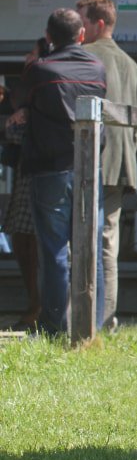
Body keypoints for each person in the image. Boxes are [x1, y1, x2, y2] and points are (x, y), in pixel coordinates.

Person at [9, 8, 108, 335]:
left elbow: (18, 100)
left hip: (49, 170)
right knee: (90, 247)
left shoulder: (40, 70)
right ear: (82, 35)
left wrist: (21, 108)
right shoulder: (97, 68)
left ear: (49, 37)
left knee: (54, 251)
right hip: (88, 169)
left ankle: (54, 325)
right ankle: (93, 324)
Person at [77, 0, 137, 331]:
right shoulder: (132, 65)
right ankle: (106, 318)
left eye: (82, 21)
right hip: (122, 165)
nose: (79, 28)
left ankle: (82, 316)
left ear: (98, 24)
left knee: (80, 240)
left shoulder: (84, 57)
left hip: (90, 160)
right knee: (108, 244)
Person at [0, 74, 39, 329]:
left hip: (34, 179)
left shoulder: (34, 109)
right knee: (21, 242)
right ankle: (35, 302)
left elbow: (15, 132)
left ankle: (38, 304)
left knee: (31, 246)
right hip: (25, 180)